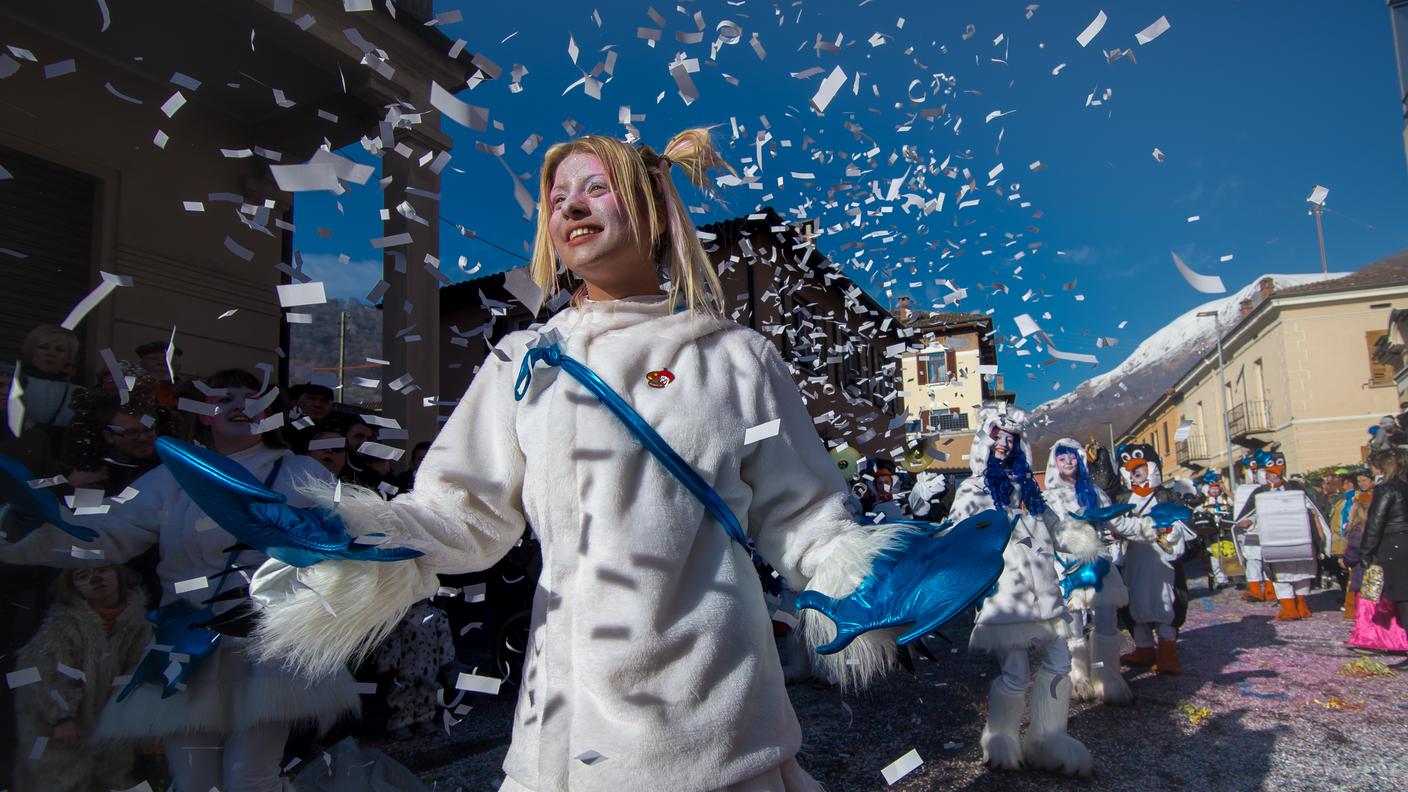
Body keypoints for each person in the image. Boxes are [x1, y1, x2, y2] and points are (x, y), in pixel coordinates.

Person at [163, 129, 1007, 792]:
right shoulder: (520, 360)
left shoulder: (736, 355)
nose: (572, 205)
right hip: (564, 714)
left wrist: (870, 577)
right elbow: (461, 516)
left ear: (652, 211)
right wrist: (352, 537)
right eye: (557, 196)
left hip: (714, 696)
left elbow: (800, 513)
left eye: (594, 187)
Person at [0, 368, 360, 792]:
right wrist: (18, 530)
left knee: (250, 778)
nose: (239, 406)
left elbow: (348, 542)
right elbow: (108, 533)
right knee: (193, 782)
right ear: (203, 414)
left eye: (251, 398)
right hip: (187, 642)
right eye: (223, 399)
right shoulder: (174, 475)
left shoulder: (302, 472)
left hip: (268, 643)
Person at [951, 410, 1098, 776]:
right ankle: (1001, 738)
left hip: (1047, 596)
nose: (1004, 443)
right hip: (1007, 596)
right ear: (985, 439)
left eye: (1011, 438)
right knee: (1015, 673)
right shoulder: (972, 489)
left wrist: (1086, 537)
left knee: (1060, 662)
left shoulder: (1029, 489)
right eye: (998, 436)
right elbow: (961, 538)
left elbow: (1059, 531)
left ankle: (1048, 738)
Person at [11, 565, 151, 792]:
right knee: (61, 781)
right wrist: (61, 717)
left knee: (111, 778)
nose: (95, 579)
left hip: (109, 727)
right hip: (60, 729)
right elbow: (44, 672)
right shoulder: (61, 625)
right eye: (82, 576)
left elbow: (139, 669)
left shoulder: (138, 625)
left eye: (103, 570)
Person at [1041, 439, 1143, 707]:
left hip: (1099, 565)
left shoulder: (1095, 492)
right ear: (1055, 462)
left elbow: (1117, 521)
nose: (1068, 462)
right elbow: (1046, 535)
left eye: (1072, 457)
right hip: (1067, 569)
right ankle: (1078, 679)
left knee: (1107, 623)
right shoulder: (1048, 498)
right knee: (1072, 626)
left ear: (1080, 460)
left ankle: (1107, 677)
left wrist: (1149, 530)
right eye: (1062, 458)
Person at [1113, 443, 1191, 674]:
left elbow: (1185, 519)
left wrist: (1171, 531)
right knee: (1135, 601)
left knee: (1165, 602)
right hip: (1134, 558)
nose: (1135, 472)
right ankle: (1144, 648)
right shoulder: (1122, 498)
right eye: (1130, 468)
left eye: (1141, 467)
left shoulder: (1166, 495)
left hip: (1162, 560)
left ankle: (1167, 653)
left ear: (1151, 467)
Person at [1234, 451, 1331, 621]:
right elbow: (1254, 513)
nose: (1269, 475)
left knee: (1302, 572)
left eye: (1272, 472)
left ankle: (1301, 603)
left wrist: (1318, 530)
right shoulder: (1261, 491)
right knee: (1279, 574)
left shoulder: (1296, 487)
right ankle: (1288, 608)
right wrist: (1248, 522)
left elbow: (1311, 508)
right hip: (1274, 540)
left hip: (1298, 537)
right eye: (1268, 472)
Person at [1, 325, 83, 476]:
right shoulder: (10, 381)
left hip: (57, 465)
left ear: (69, 356)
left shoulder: (78, 393)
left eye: (59, 350)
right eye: (44, 347)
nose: (51, 354)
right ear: (31, 350)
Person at [370, 598, 456, 738]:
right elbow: (391, 642)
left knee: (429, 691)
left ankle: (425, 718)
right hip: (404, 665)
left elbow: (444, 638)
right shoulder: (397, 617)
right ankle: (401, 722)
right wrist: (389, 665)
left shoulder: (437, 615)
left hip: (429, 664)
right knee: (402, 692)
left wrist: (447, 658)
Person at [1357, 447, 1408, 664]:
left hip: (1395, 544)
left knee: (1403, 597)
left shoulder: (1386, 489)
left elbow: (1375, 523)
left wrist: (1366, 552)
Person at [1341, 470, 1375, 618]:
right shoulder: (1355, 497)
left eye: (1364, 480)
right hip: (1355, 537)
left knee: (1365, 589)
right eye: (1359, 481)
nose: (1361, 484)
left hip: (1364, 549)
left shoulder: (1374, 496)